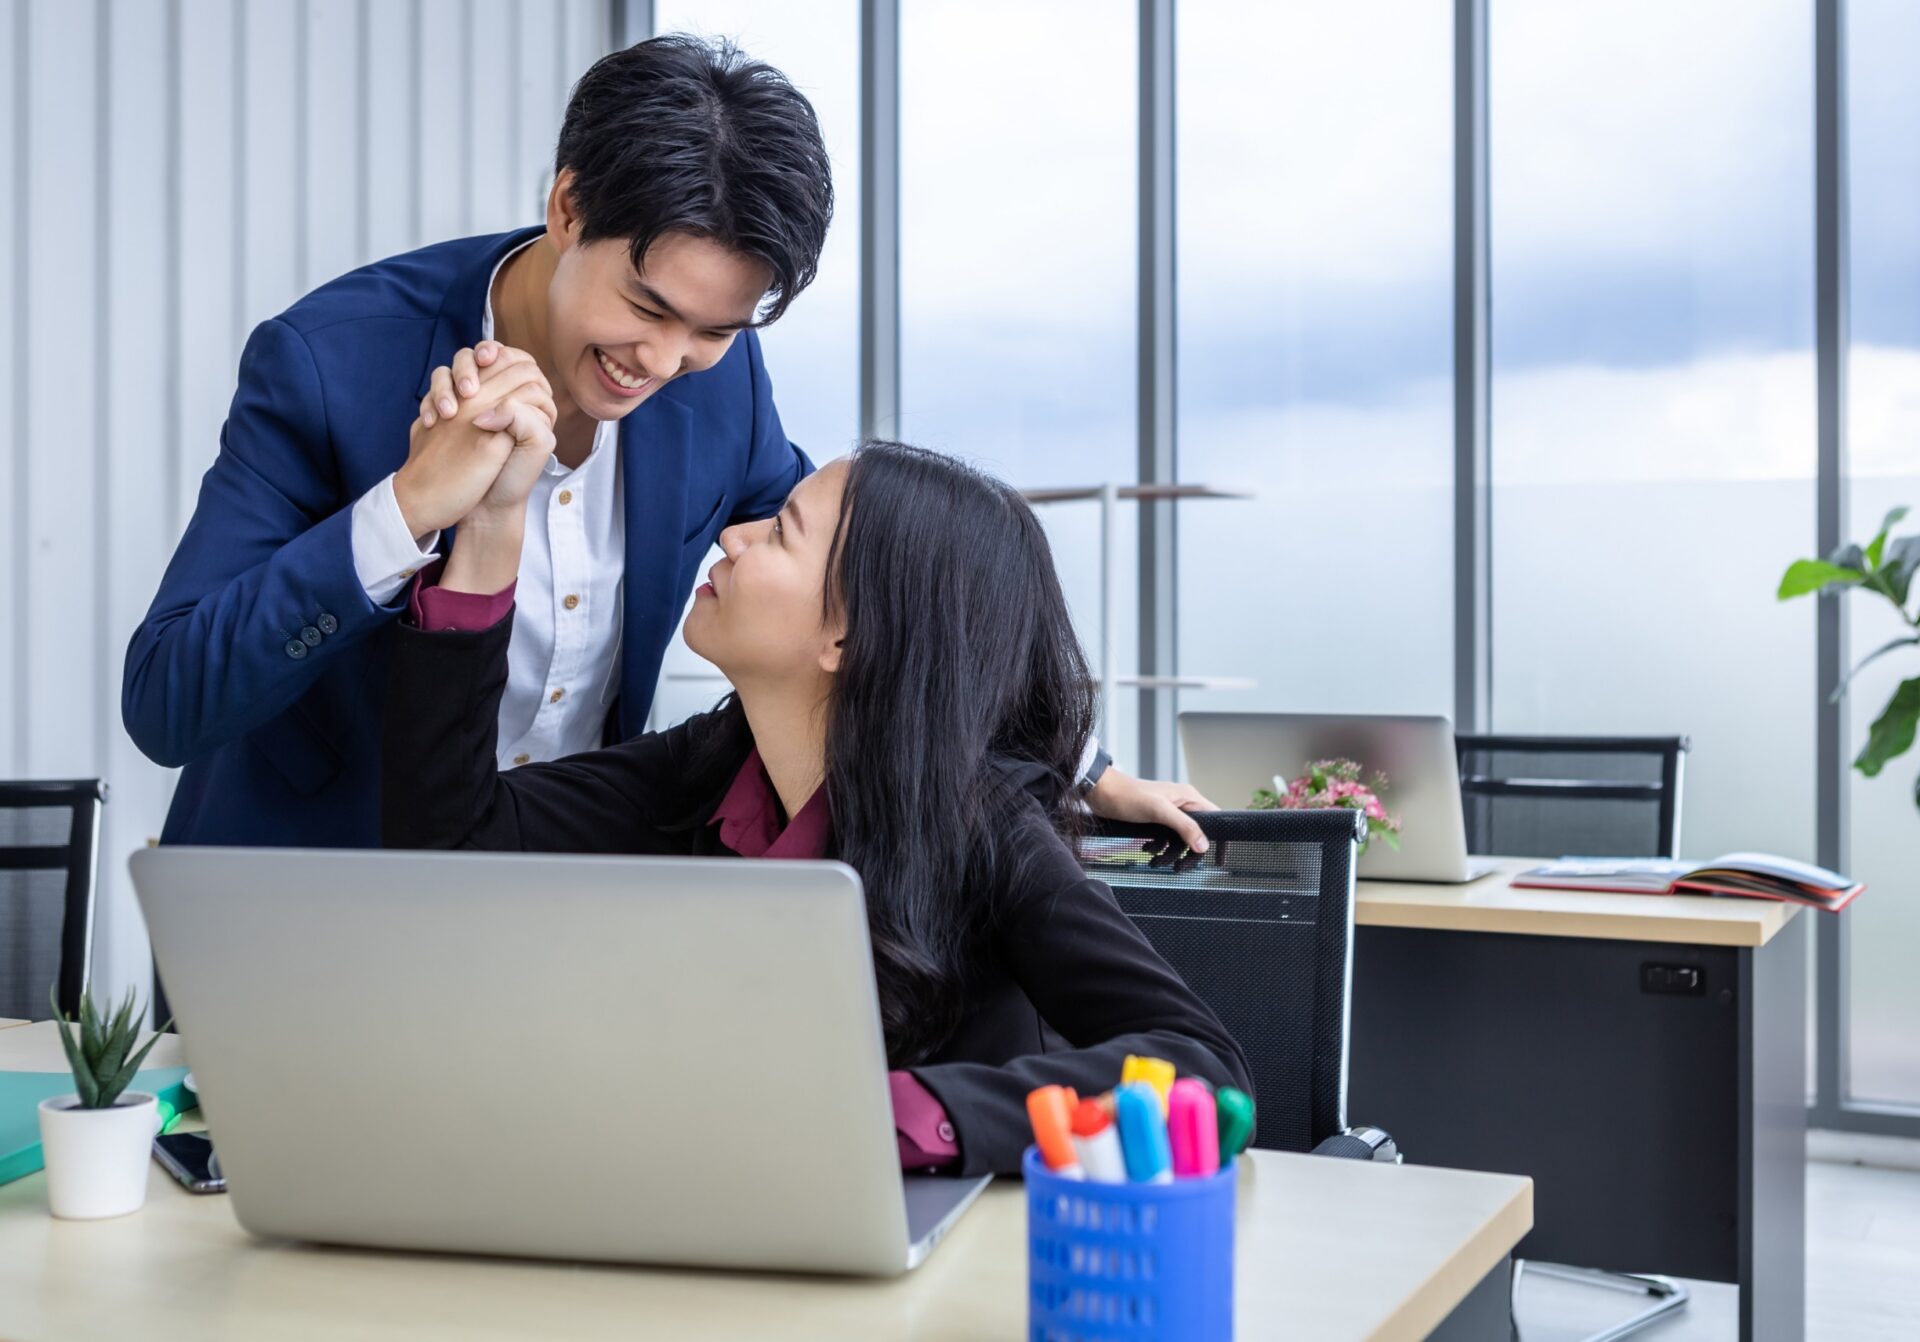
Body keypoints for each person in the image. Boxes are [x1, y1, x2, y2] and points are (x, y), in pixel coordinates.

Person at [123, 33, 1214, 862]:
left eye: (716, 326)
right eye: (645, 305)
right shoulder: (327, 363)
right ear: (565, 206)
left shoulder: (718, 379)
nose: (664, 360)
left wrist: (1080, 764)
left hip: (558, 921)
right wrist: (406, 508)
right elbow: (168, 699)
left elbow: (866, 579)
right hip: (304, 915)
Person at [381, 437, 1252, 1177]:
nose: (732, 536)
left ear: (848, 635)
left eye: (781, 531)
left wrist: (907, 1116)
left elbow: (1206, 1073)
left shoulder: (987, 832)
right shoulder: (710, 766)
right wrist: (493, 527)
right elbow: (454, 840)